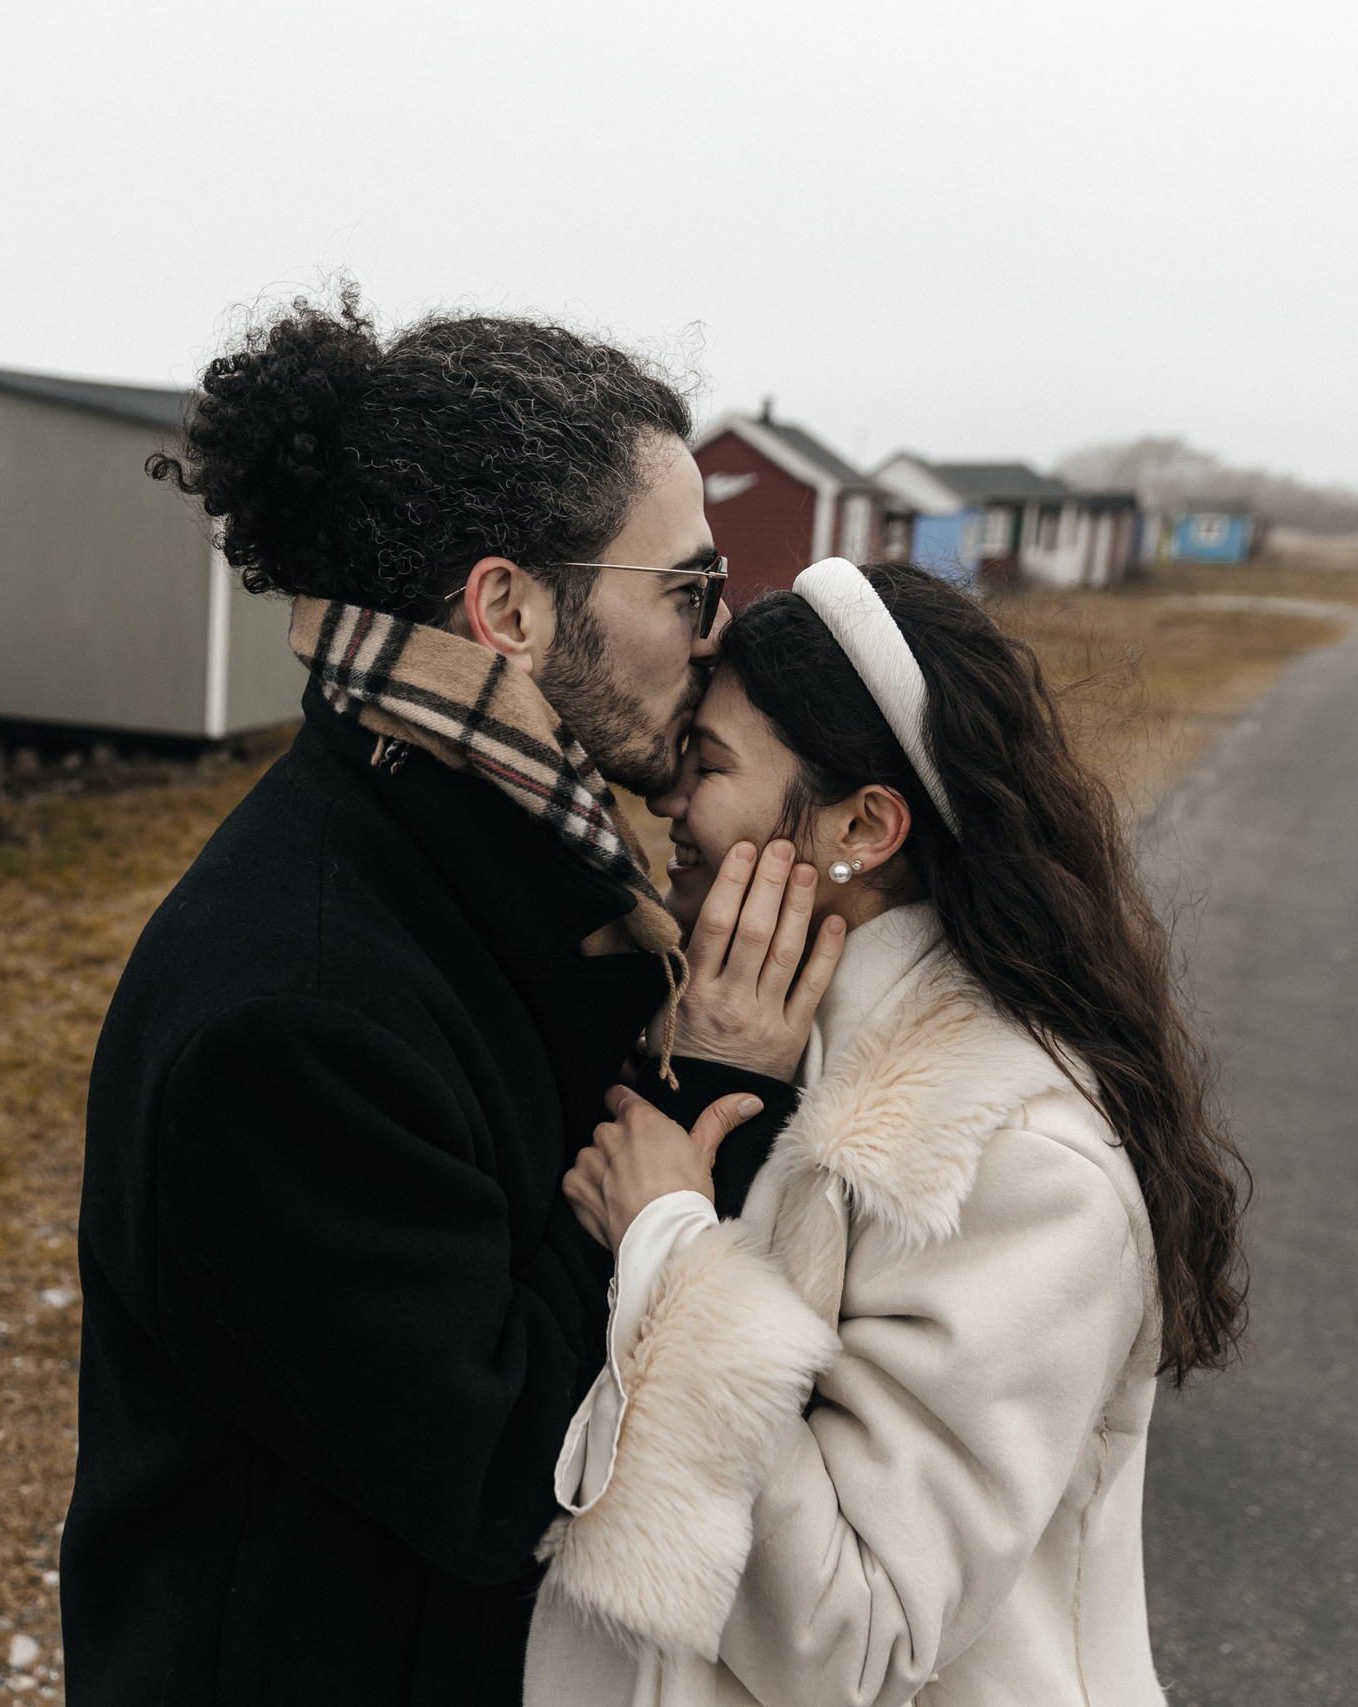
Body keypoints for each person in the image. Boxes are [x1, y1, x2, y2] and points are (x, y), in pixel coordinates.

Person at [59, 291, 785, 1706]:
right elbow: (497, 1472)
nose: (717, 634)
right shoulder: (291, 1011)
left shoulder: (501, 849)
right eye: (688, 588)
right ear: (508, 609)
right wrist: (700, 1103)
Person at [529, 558, 1250, 1706]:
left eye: (708, 765)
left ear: (863, 825)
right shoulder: (729, 1036)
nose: (667, 799)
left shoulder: (1011, 1155)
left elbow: (853, 1635)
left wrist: (669, 1254)